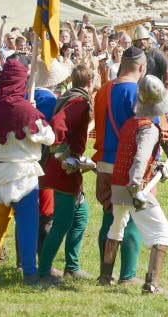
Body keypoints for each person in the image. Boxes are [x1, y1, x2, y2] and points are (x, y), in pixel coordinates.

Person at [0, 59, 56, 285]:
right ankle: (30, 273)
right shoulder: (25, 110)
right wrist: (32, 111)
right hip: (22, 173)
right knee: (27, 225)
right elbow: (48, 137)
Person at [101, 75, 168, 295]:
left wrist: (158, 168)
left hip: (118, 185)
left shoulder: (130, 124)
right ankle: (151, 286)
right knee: (163, 233)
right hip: (133, 188)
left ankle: (105, 277)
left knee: (116, 228)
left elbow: (140, 157)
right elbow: (140, 158)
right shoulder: (149, 129)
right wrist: (136, 184)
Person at [38, 64, 96, 283]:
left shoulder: (71, 97)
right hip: (64, 169)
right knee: (62, 222)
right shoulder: (79, 102)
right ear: (90, 83)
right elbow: (57, 126)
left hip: (69, 168)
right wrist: (65, 157)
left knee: (81, 216)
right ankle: (43, 271)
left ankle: (72, 267)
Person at [94, 47, 147, 286]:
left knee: (109, 217)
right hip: (127, 164)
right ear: (142, 68)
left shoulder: (103, 90)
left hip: (104, 161)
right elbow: (146, 130)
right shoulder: (137, 92)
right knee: (133, 216)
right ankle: (127, 274)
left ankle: (105, 273)